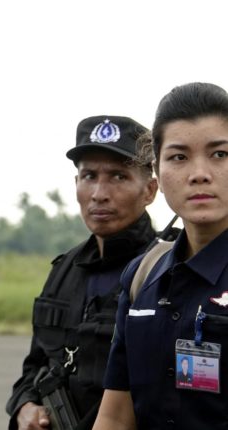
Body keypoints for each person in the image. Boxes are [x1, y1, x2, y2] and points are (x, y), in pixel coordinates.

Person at [6, 115, 158, 430]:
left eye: (118, 176)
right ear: (76, 184)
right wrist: (25, 406)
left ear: (150, 190)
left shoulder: (166, 270)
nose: (99, 193)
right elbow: (36, 364)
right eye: (89, 176)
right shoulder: (64, 270)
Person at [95, 82, 228, 429]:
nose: (199, 174)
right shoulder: (143, 275)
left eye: (219, 154)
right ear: (157, 169)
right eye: (179, 157)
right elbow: (115, 417)